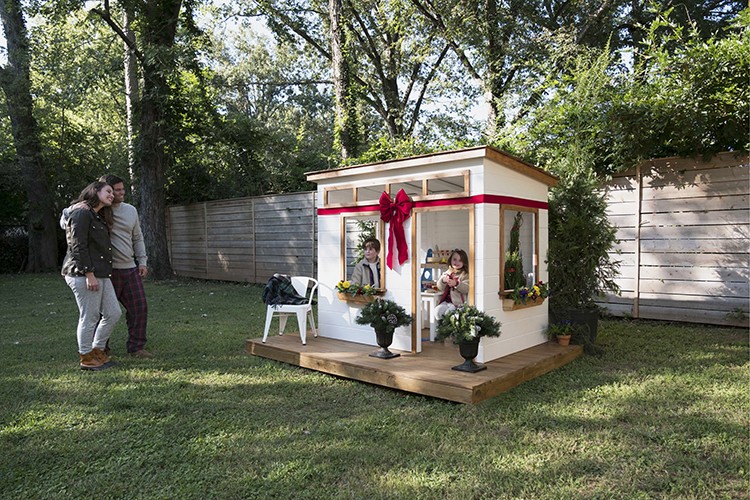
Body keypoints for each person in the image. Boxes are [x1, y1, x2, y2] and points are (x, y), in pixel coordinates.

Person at [61, 181, 122, 370]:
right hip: (82, 273)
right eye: (108, 191)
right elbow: (77, 246)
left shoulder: (96, 215)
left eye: (113, 192)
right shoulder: (81, 213)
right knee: (90, 316)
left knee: (113, 313)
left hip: (101, 273)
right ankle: (86, 357)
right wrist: (89, 274)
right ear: (95, 191)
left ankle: (97, 350)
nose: (112, 195)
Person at [99, 174, 153, 358]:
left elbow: (137, 237)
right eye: (117, 190)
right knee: (104, 313)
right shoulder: (98, 211)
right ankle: (101, 348)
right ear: (107, 191)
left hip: (130, 269)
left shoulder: (130, 210)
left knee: (139, 307)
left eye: (123, 189)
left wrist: (142, 261)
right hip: (107, 271)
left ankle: (136, 347)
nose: (122, 192)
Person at [434, 249, 470, 320]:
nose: (456, 262)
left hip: (458, 303)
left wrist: (456, 284)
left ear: (464, 262)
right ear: (450, 260)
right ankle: (441, 328)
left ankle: (448, 329)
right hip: (446, 301)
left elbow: (466, 288)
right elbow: (439, 287)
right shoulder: (447, 272)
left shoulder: (465, 275)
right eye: (455, 259)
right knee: (437, 312)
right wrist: (443, 280)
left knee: (449, 314)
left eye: (460, 260)